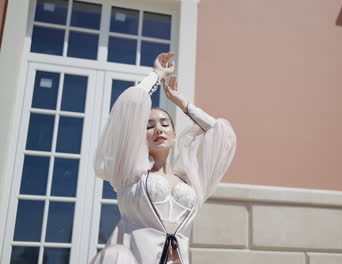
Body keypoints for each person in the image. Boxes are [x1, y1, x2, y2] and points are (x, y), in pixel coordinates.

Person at [90, 52, 237, 264]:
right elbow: (130, 105)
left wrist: (183, 103)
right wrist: (157, 76)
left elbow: (222, 135)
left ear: (174, 136)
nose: (158, 128)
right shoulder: (130, 175)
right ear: (140, 137)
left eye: (164, 124)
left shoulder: (190, 179)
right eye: (149, 126)